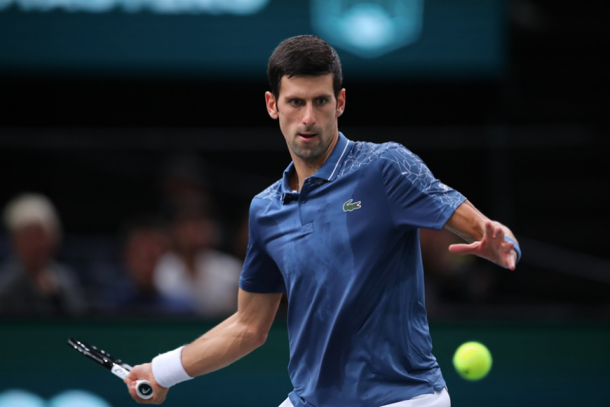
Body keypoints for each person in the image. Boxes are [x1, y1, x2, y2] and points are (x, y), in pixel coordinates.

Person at [124, 35, 521, 407]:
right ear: (272, 104)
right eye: (296, 102)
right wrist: (161, 372)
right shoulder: (265, 210)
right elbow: (248, 327)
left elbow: (477, 224)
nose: (309, 118)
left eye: (321, 101)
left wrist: (501, 241)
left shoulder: (385, 167)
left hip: (404, 398)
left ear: (341, 102)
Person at [0, 193, 87, 316]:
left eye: (41, 236)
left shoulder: (65, 279)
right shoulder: (4, 286)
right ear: (15, 240)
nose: (38, 244)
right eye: (30, 237)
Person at [101, 216, 194, 316]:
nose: (148, 258)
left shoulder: (181, 309)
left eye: (153, 254)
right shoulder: (107, 305)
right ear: (126, 256)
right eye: (139, 251)